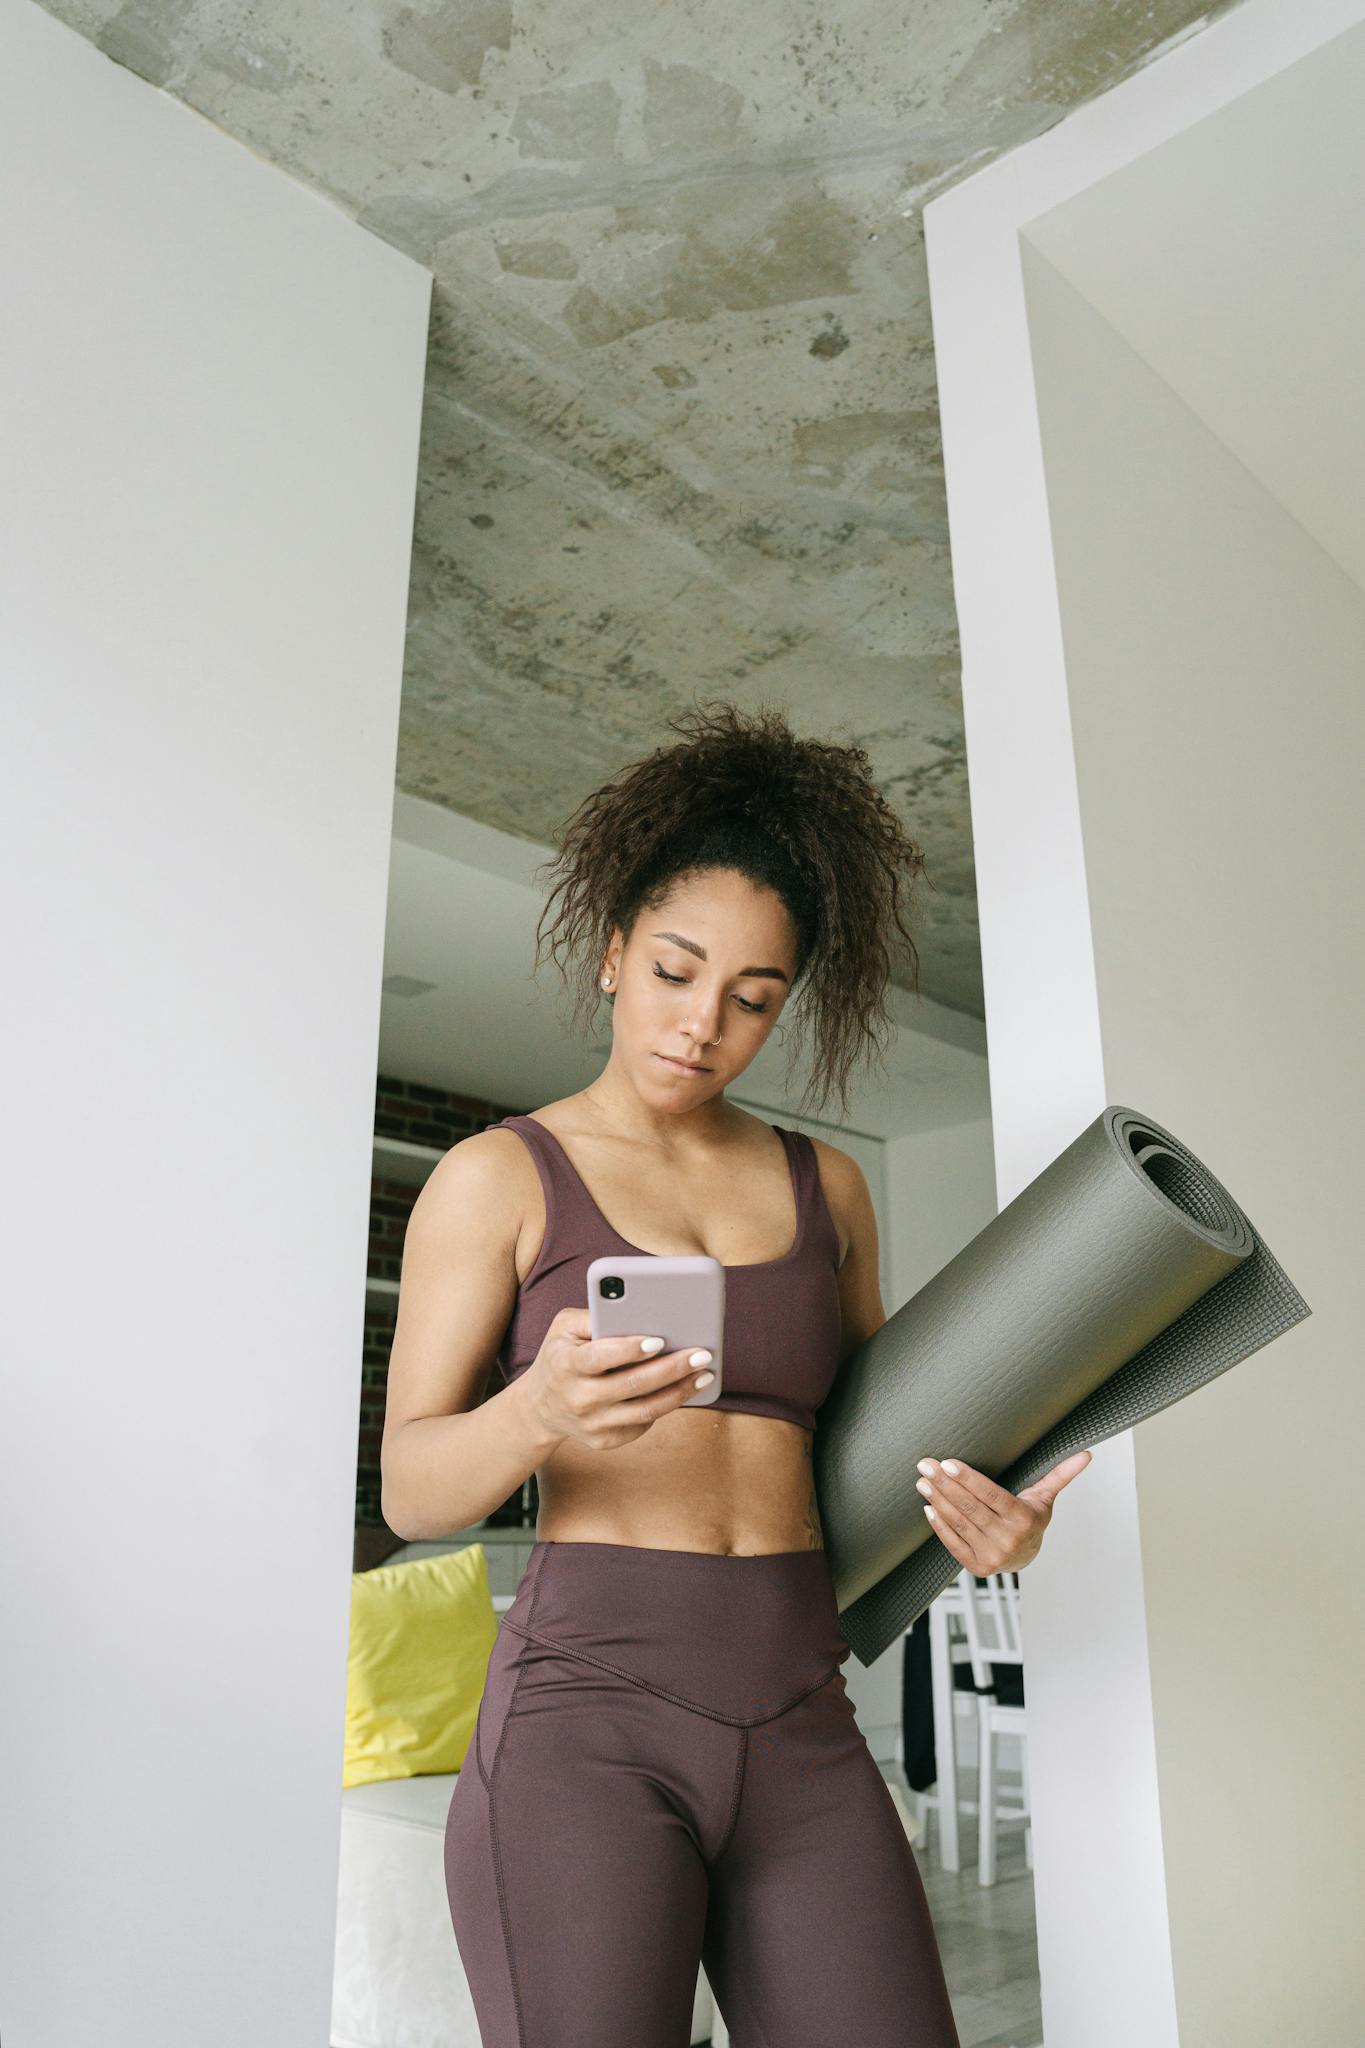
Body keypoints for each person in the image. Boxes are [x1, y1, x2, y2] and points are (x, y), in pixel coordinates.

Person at [381, 700, 1090, 2047]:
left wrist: (982, 1530)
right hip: (583, 1725)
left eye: (751, 998)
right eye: (674, 971)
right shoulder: (495, 1179)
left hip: (801, 1714)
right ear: (610, 954)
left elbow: (877, 1459)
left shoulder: (824, 1185)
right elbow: (413, 1489)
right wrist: (537, 1407)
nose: (701, 1024)